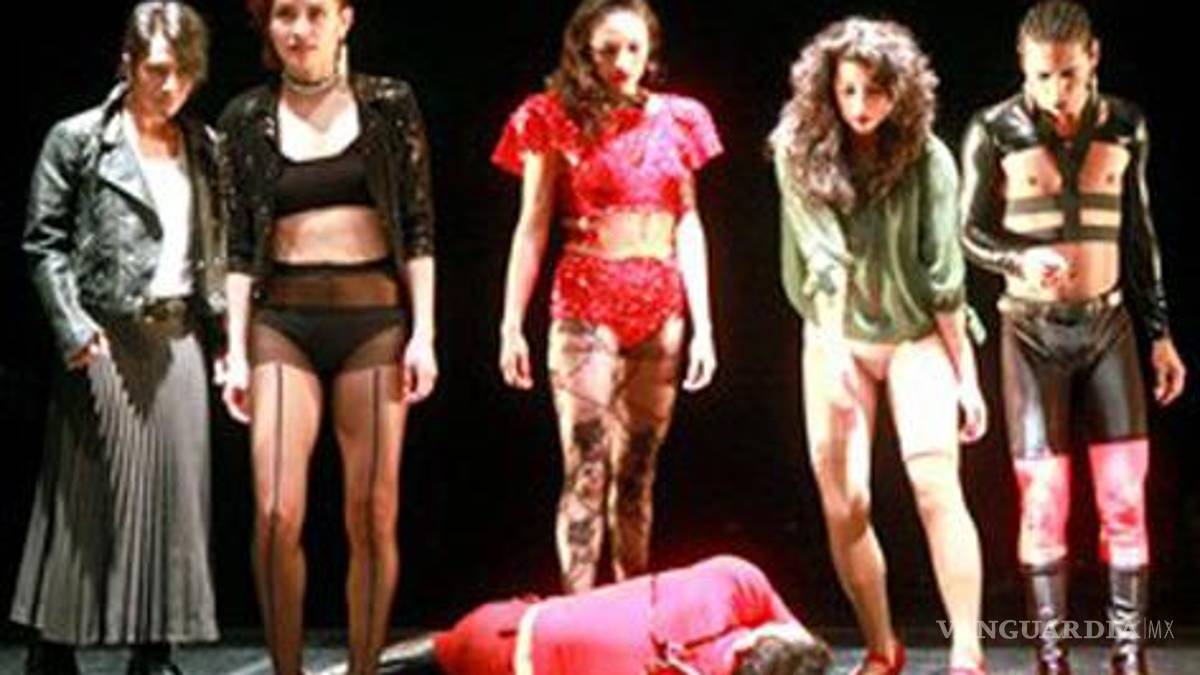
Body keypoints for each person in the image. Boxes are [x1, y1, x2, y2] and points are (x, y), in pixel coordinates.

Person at [959, 2, 1187, 673]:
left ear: (1094, 59)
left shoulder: (1125, 124)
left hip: (1108, 326)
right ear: (1022, 67)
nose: (1055, 90)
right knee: (1043, 499)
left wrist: (1160, 333)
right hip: (1031, 334)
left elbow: (1139, 235)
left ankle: (1129, 654)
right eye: (1041, 76)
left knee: (1124, 495)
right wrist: (1018, 258)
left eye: (1068, 74)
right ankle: (1051, 657)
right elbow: (970, 232)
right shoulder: (993, 129)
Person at [218, 0, 438, 672]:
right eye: (285, 14)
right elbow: (237, 245)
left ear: (345, 19)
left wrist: (425, 332)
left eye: (315, 13)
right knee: (275, 512)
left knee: (371, 513)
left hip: (374, 321)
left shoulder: (389, 104)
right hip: (281, 322)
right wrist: (235, 351)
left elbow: (418, 224)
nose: (300, 29)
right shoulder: (246, 117)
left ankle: (364, 666)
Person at [771, 18, 989, 675]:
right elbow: (822, 259)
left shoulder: (928, 158)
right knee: (846, 501)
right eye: (849, 90)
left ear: (902, 92)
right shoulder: (797, 150)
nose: (861, 105)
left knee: (934, 482)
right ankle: (881, 644)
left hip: (914, 332)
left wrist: (967, 377)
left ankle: (968, 648)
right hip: (833, 328)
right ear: (827, 90)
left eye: (876, 91)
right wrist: (835, 352)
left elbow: (946, 277)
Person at [13, 3, 224, 673]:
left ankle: (154, 650)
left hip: (177, 335)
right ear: (127, 64)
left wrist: (226, 340)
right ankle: (54, 648)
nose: (170, 85)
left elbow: (216, 250)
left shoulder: (205, 146)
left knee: (175, 501)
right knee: (84, 497)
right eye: (157, 69)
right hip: (102, 335)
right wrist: (72, 324)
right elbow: (44, 243)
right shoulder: (78, 139)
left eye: (184, 71)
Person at [494, 0, 723, 595]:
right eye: (607, 50)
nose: (622, 62)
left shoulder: (681, 118)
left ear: (650, 50)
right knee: (586, 469)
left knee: (638, 474)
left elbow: (688, 221)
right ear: (584, 53)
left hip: (661, 303)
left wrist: (705, 325)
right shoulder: (550, 117)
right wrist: (510, 323)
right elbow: (532, 224)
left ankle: (630, 611)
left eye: (633, 49)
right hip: (586, 301)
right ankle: (579, 613)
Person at [319, 555, 831, 675]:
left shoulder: (733, 581)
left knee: (444, 648)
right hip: (506, 654)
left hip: (498, 629)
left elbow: (794, 635)